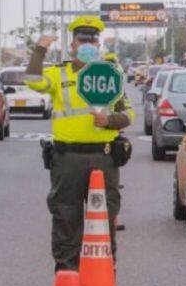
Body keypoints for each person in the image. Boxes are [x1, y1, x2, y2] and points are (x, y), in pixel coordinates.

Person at [25, 16, 134, 272]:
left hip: (103, 157)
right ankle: (67, 275)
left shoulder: (110, 75)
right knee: (65, 217)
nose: (88, 43)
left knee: (104, 219)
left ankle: (105, 277)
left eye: (93, 39)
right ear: (72, 44)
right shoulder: (58, 73)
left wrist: (109, 120)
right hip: (67, 158)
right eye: (82, 39)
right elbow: (32, 80)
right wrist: (40, 49)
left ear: (99, 44)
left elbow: (128, 115)